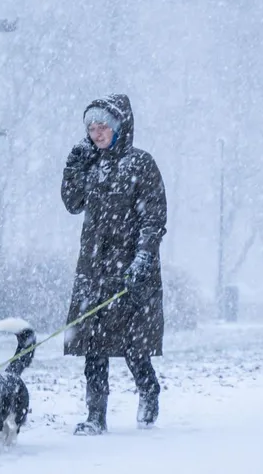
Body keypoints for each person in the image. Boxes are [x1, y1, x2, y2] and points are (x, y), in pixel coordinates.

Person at [61, 94, 167, 434]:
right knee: (93, 345)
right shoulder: (90, 164)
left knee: (135, 346)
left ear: (120, 126)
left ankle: (149, 391)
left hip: (131, 269)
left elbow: (154, 218)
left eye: (103, 125)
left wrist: (142, 259)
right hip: (94, 268)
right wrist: (74, 165)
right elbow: (72, 203)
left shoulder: (141, 164)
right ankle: (95, 416)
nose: (97, 132)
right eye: (91, 127)